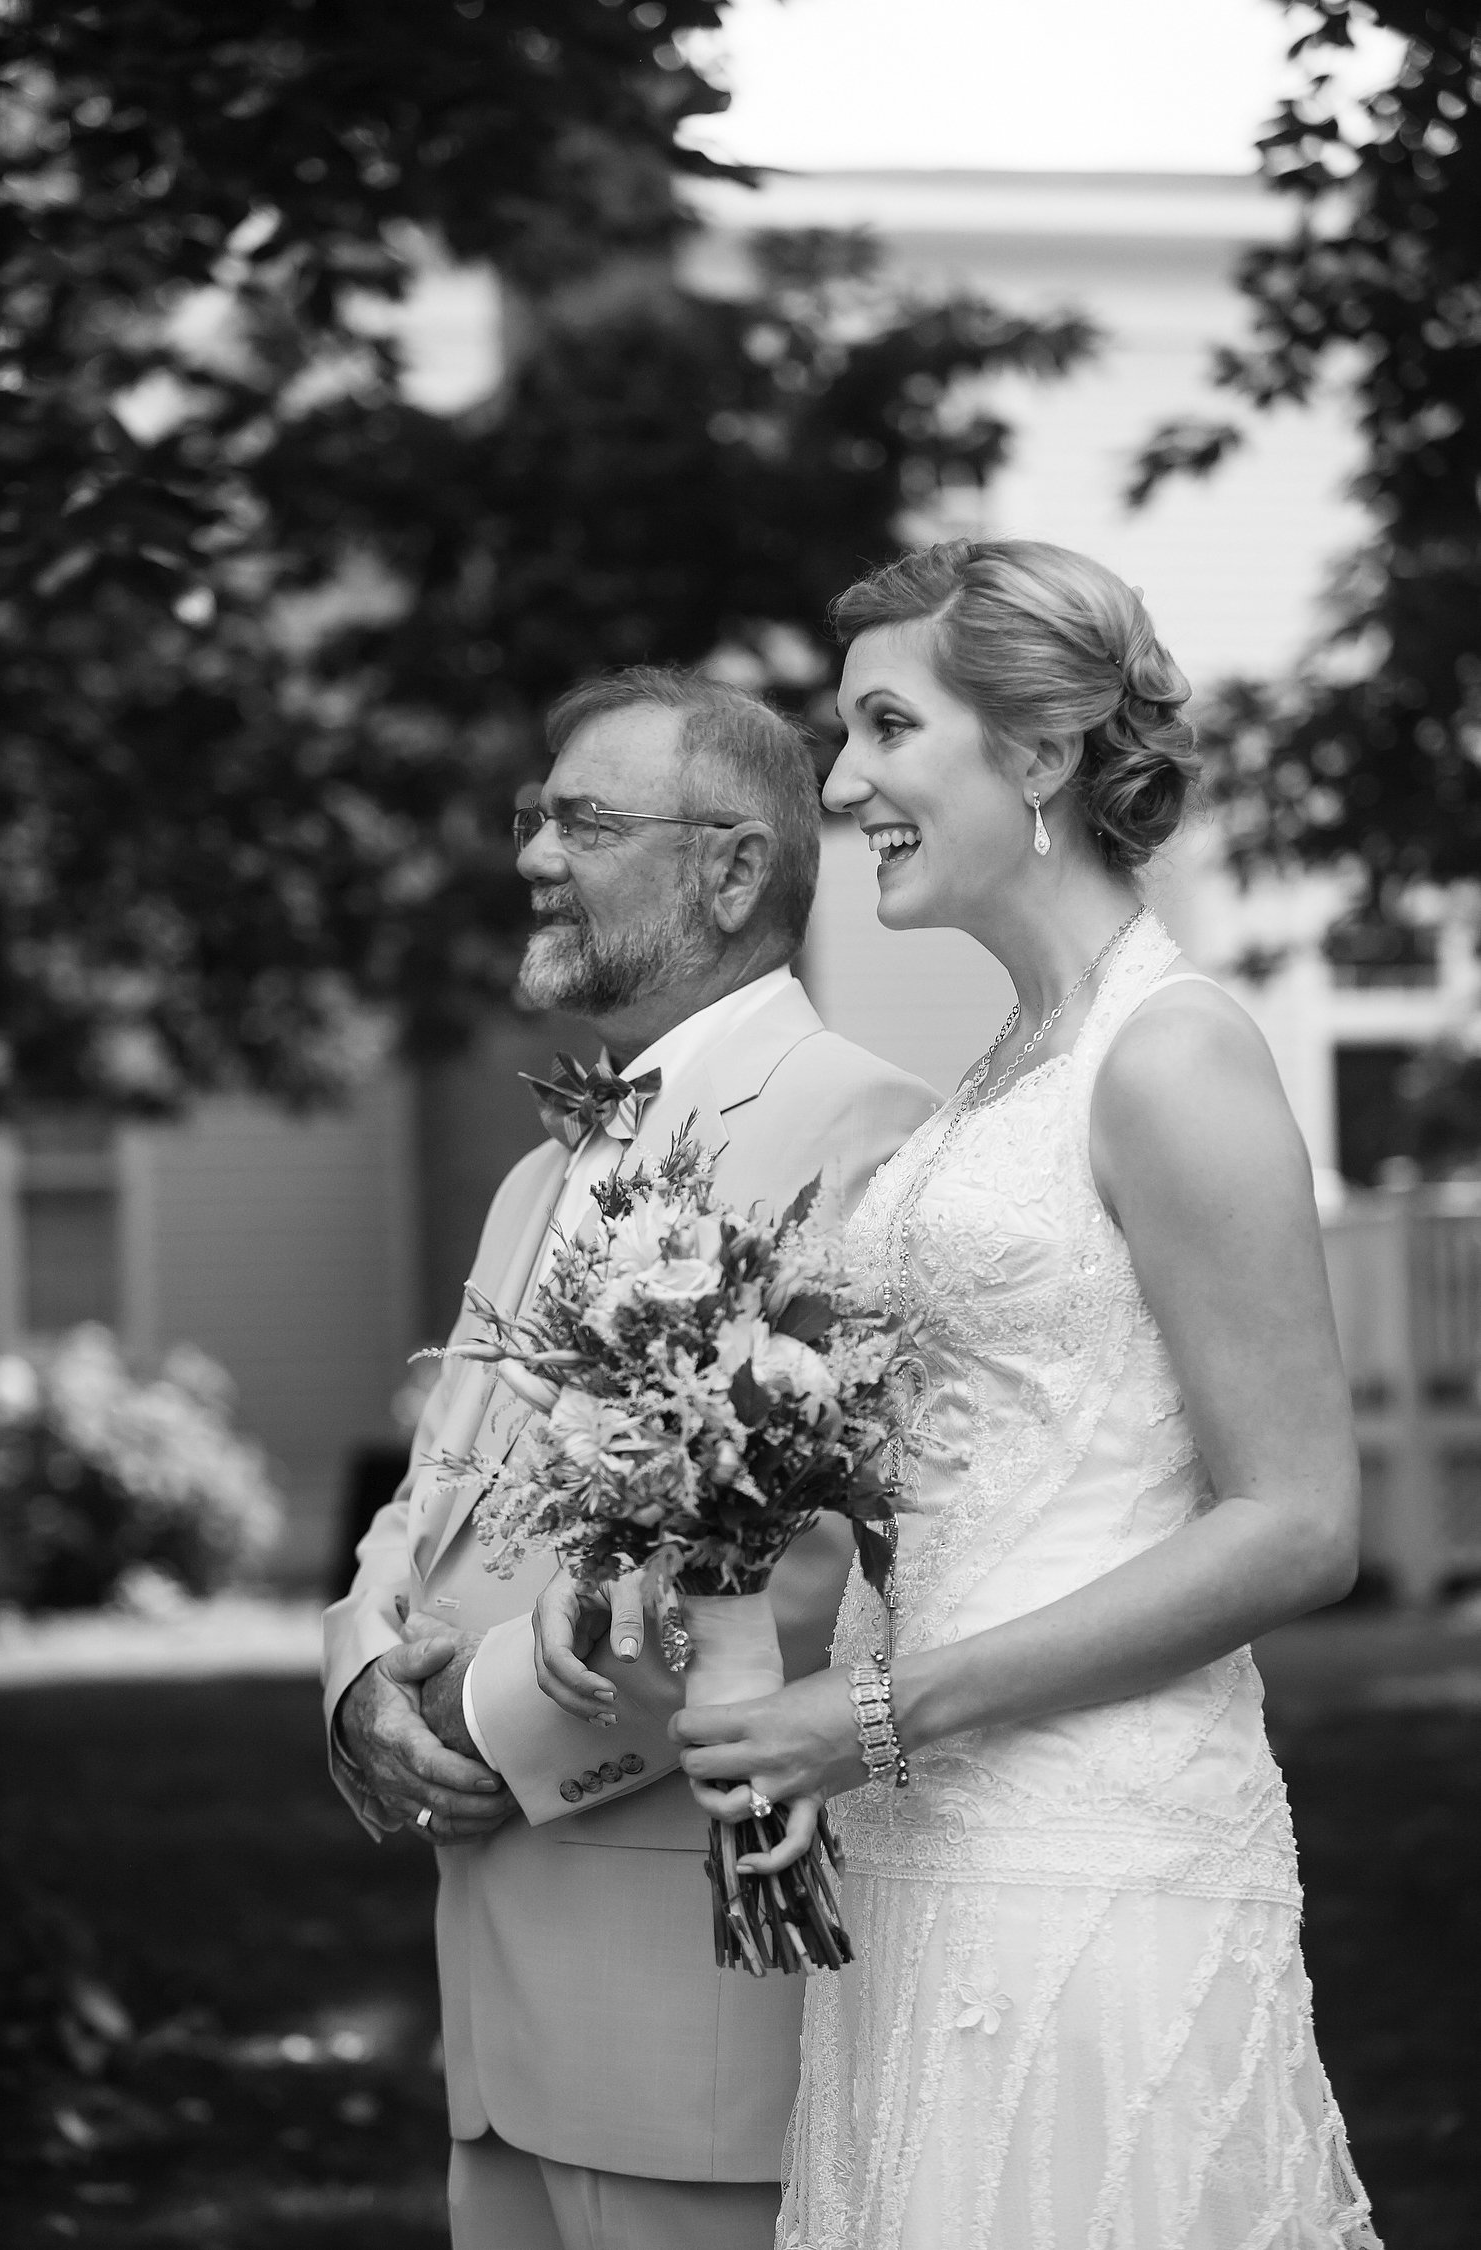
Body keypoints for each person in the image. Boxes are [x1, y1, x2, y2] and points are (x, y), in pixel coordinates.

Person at [663, 542, 1382, 2247]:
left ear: (1042, 756)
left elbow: (1300, 1522)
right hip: (919, 1847)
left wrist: (885, 1713)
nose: (843, 786)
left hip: (1086, 1852)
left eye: (889, 728)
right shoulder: (998, 1070)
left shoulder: (1175, 1053)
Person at [321, 665, 936, 2250]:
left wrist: (486, 1736)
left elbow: (804, 1568)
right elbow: (430, 1488)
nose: (532, 852)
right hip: (496, 2022)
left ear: (733, 866)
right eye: (536, 815)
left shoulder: (858, 1128)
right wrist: (358, 1687)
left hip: (689, 2023)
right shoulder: (540, 1174)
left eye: (583, 821)